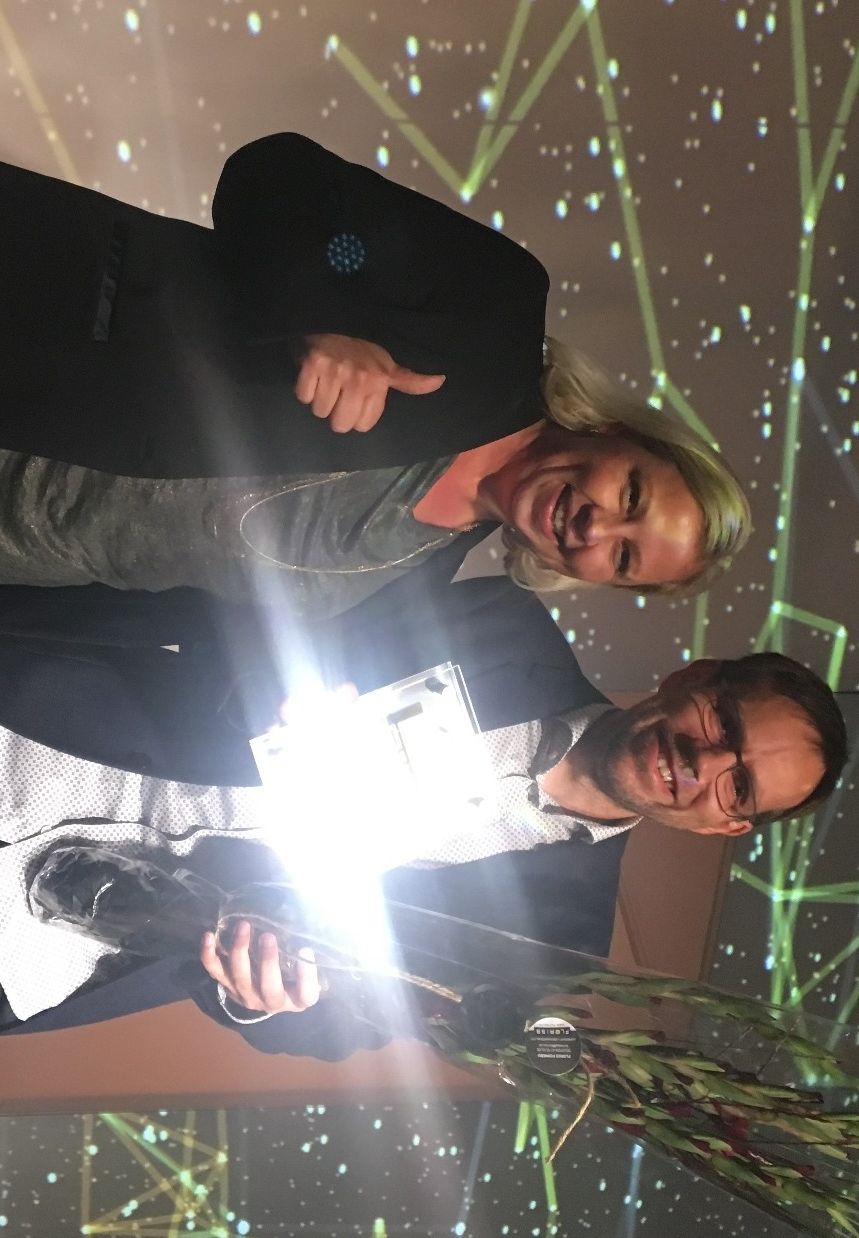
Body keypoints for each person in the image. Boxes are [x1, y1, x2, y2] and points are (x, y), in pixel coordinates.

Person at [0, 571, 846, 1058]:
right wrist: (272, 682)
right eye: (721, 722)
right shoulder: (508, 630)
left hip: (48, 943)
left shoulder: (556, 943)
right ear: (691, 676)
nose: (703, 763)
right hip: (52, 737)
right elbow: (274, 607)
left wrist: (266, 997)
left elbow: (347, 1023)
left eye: (738, 786)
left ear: (725, 827)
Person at [0, 134, 750, 622]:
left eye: (622, 558)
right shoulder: (495, 310)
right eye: (631, 496)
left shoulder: (416, 586)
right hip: (37, 325)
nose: (596, 527)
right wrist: (320, 318)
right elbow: (279, 172)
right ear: (618, 434)